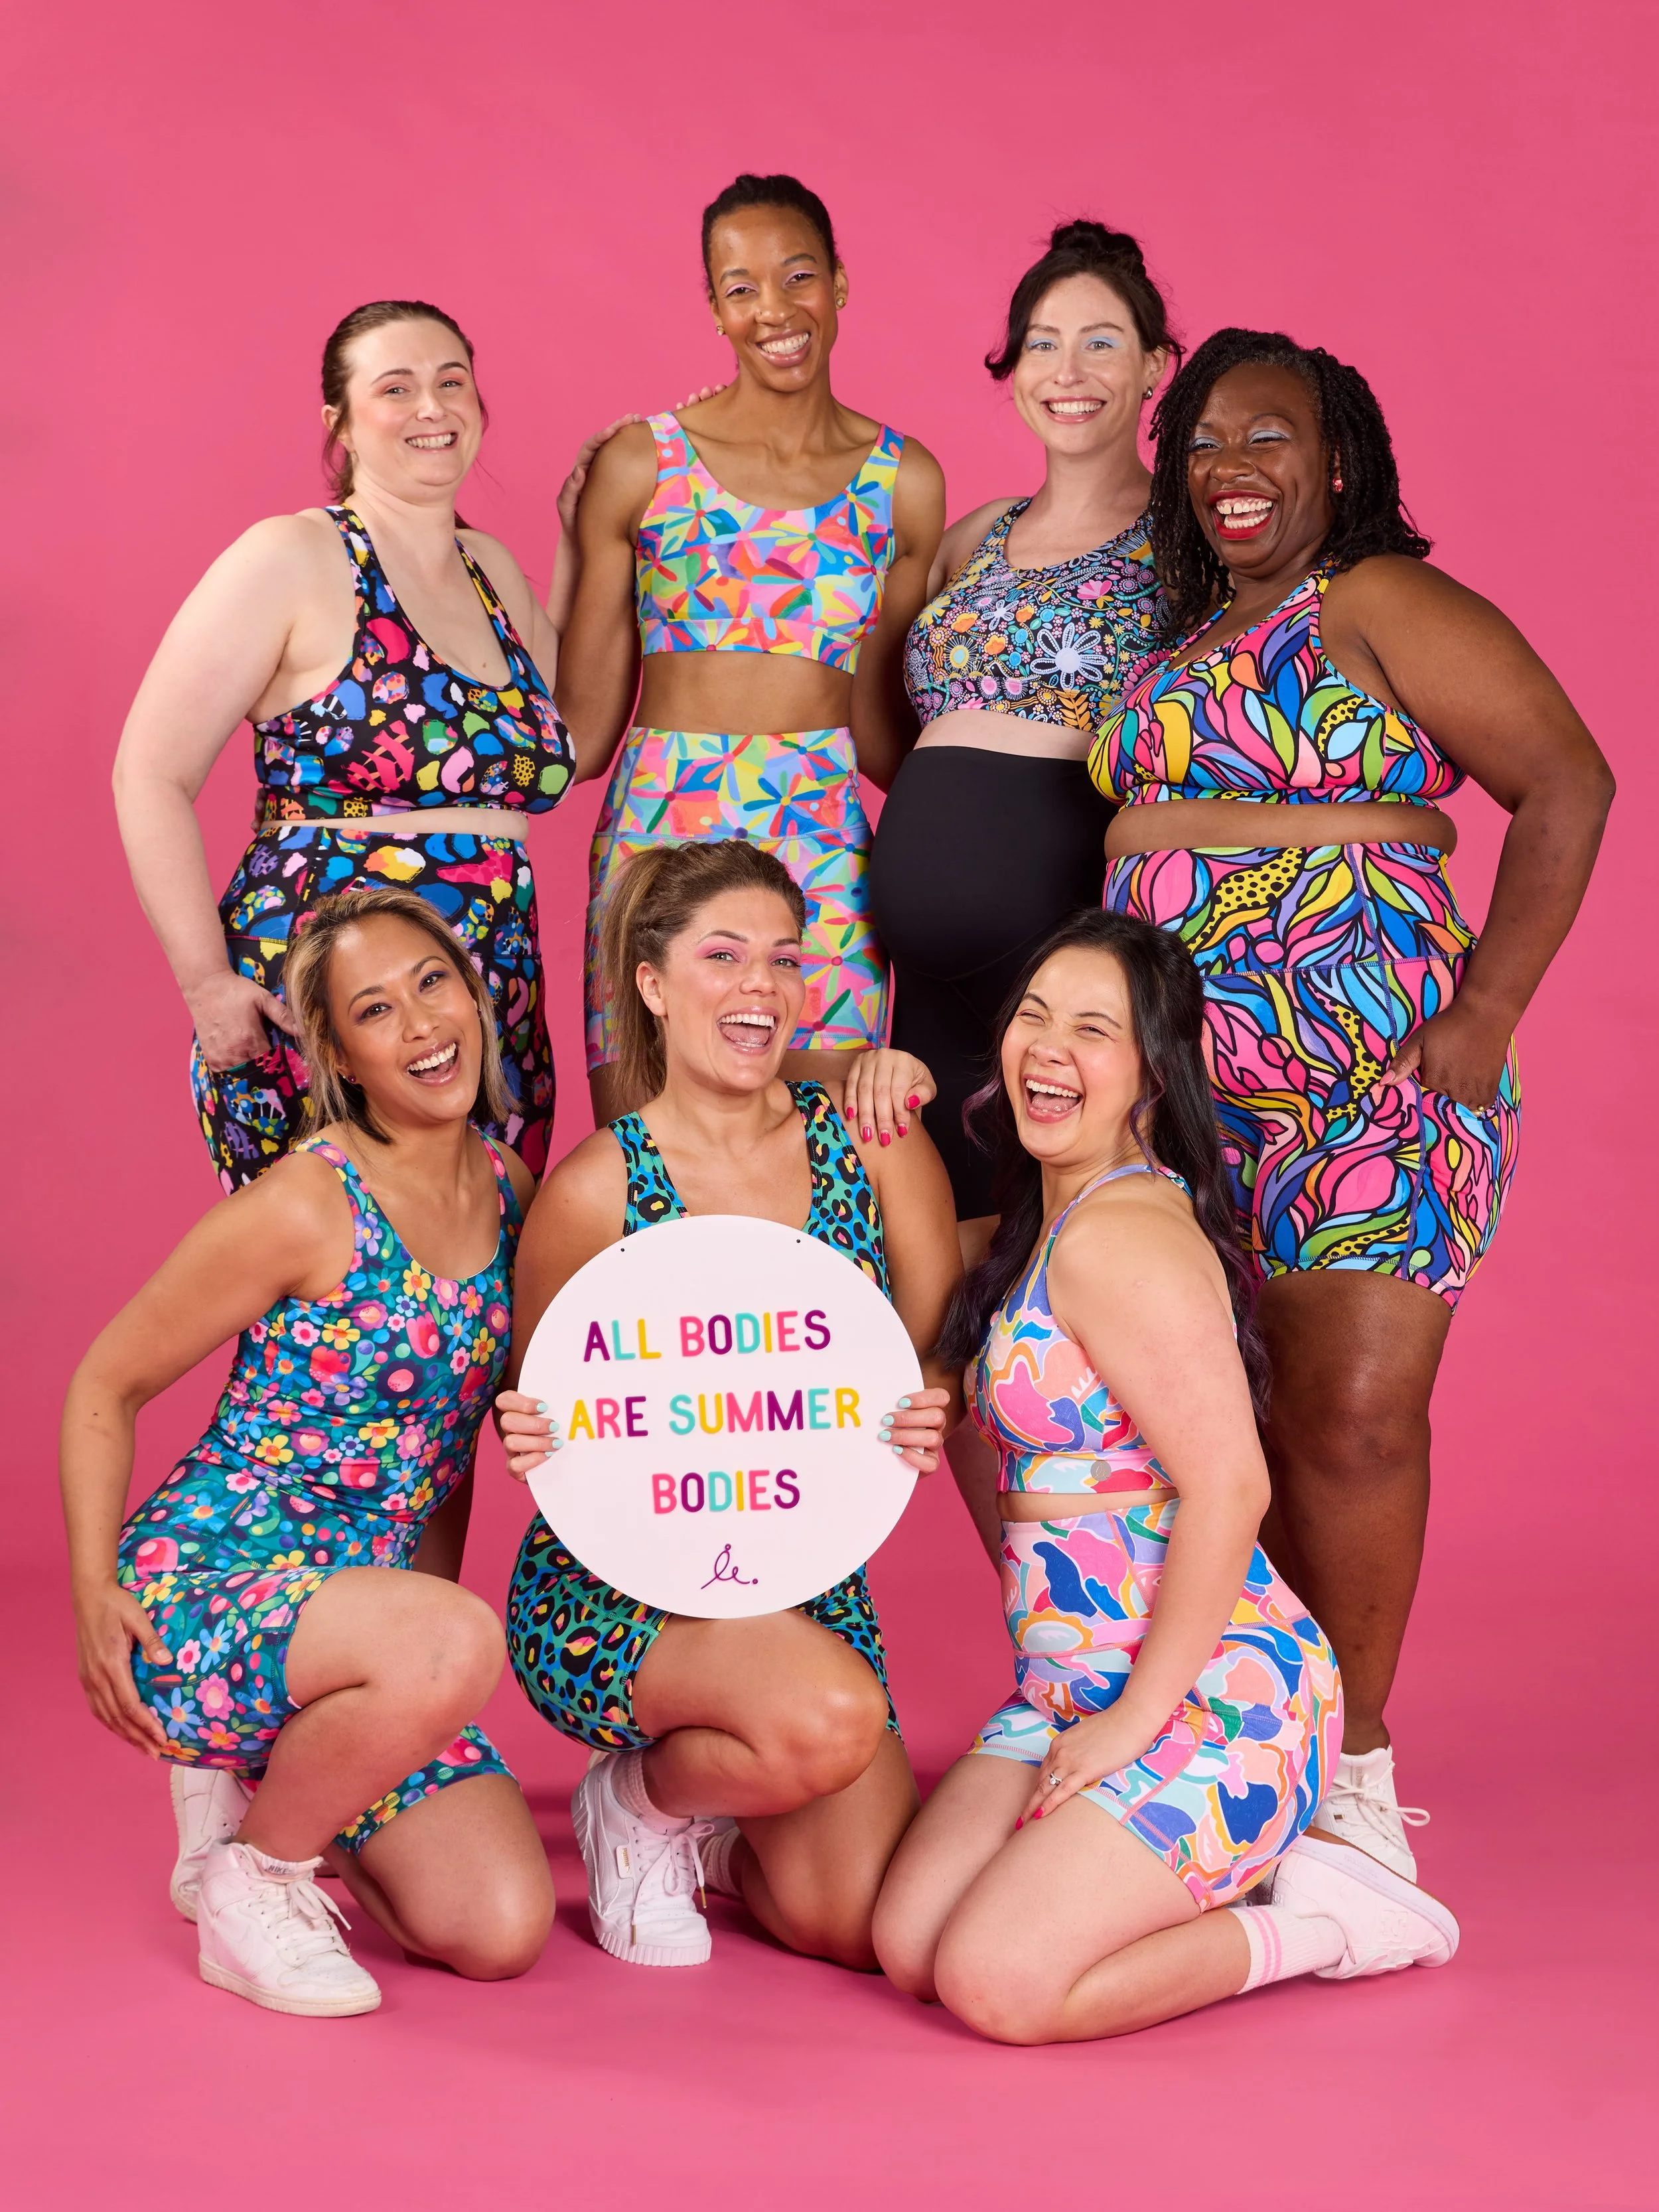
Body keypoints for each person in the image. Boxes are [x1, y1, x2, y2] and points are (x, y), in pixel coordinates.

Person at [1086, 330, 1614, 1869]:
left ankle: (1356, 1778)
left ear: (1336, 464)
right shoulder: (1179, 631)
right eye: (1198, 443)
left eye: (1266, 439)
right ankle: (1258, 1739)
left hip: (1360, 1079)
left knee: (1351, 1420)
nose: (1227, 468)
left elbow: (1566, 779)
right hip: (1180, 1098)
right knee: (1221, 1428)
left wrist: (1489, 1006)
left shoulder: (1375, 599)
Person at [873, 912, 1460, 2044]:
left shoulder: (1122, 1236)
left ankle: (1329, 1918)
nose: (1049, 1048)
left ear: (1151, 1071)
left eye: (1094, 1029)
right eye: (1035, 1014)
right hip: (1065, 1687)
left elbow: (1233, 1489)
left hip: (1208, 1699)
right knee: (910, 1944)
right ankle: (1172, 1869)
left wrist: (1136, 1720)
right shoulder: (1045, 1223)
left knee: (999, 1982)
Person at [62, 887, 554, 2015]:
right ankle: (256, 1874)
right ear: (338, 1050)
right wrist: (92, 1588)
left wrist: (413, 1650)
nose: (424, 1027)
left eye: (435, 985)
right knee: (448, 1642)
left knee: (499, 1927)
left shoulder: (513, 1190)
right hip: (210, 1582)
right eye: (377, 1011)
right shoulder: (305, 1204)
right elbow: (105, 1381)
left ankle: (264, 1775)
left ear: (475, 995)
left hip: (362, 1622)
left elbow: (447, 1451)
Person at [494, 839, 960, 1970]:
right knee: (831, 1722)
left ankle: (713, 1824)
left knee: (847, 1919)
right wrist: (530, 1427)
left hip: (802, 1572)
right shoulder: (596, 1186)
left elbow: (935, 1339)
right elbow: (547, 1399)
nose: (761, 985)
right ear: (653, 985)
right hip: (620, 1586)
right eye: (723, 955)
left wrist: (931, 1397)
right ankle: (641, 1803)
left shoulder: (871, 1142)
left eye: (784, 959)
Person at [114, 299, 583, 1190]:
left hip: (492, 993)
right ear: (341, 420)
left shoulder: (494, 575)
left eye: (453, 382)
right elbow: (149, 771)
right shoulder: (292, 556)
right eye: (395, 388)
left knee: (483, 1288)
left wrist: (582, 533)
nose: (432, 408)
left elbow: (568, 733)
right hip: (331, 997)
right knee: (346, 1296)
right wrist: (206, 983)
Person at [554, 173, 946, 1125]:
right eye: (741, 288)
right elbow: (585, 738)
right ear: (715, 308)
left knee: (825, 1167)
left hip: (818, 831)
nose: (774, 309)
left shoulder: (906, 483)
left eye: (798, 276)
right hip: (662, 826)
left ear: (841, 285)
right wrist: (573, 537)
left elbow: (883, 741)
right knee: (650, 1169)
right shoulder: (642, 464)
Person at [871, 219, 1173, 1251]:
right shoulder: (977, 533)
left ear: (1154, 367)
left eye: (1101, 341)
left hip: (1059, 940)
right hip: (921, 976)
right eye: (1043, 342)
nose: (1068, 370)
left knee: (1055, 1238)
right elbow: (889, 722)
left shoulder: (1184, 545)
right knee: (927, 1258)